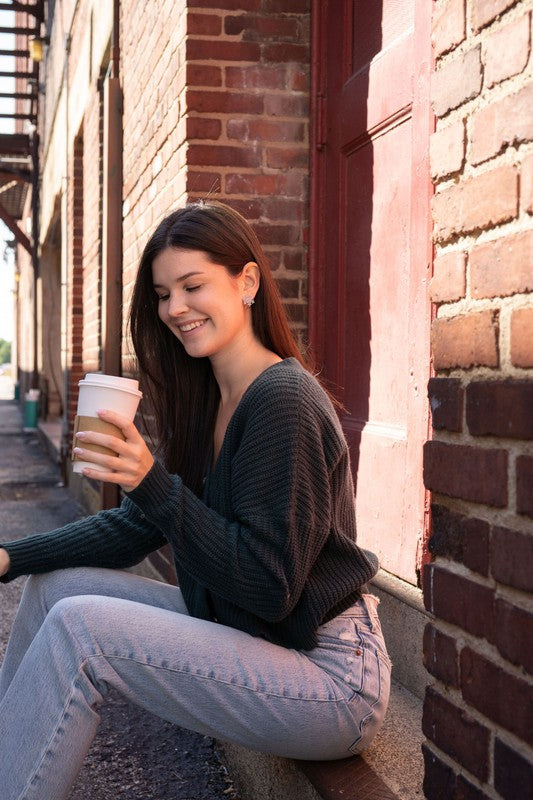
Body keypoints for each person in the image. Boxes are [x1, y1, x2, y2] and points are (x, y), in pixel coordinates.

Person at [0, 201, 391, 800]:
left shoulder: (283, 400)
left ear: (247, 282)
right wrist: (11, 555)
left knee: (82, 630)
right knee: (54, 589)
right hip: (252, 631)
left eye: (192, 286)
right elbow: (134, 529)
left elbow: (270, 585)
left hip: (330, 674)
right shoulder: (208, 397)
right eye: (163, 294)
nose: (174, 308)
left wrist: (152, 482)